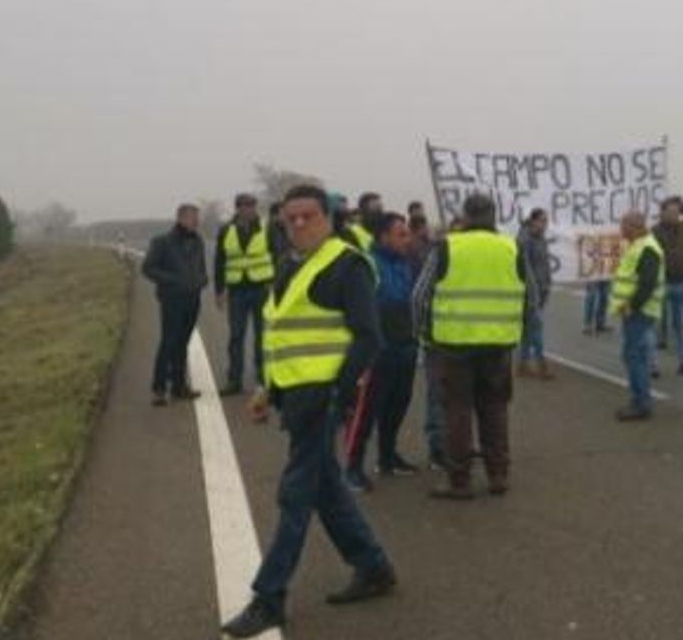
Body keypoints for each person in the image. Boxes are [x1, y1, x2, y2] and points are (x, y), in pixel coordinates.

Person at [221, 186, 394, 638]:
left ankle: (269, 597)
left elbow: (369, 337)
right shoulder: (289, 265)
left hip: (323, 400)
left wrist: (339, 391)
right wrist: (266, 388)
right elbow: (282, 337)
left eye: (308, 216)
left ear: (330, 217)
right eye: (290, 218)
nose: (298, 225)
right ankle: (373, 567)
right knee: (326, 489)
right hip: (295, 397)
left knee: (295, 495)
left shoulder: (347, 265)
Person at [413, 193, 530, 500]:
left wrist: (422, 333)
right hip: (499, 343)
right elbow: (530, 291)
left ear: (464, 215)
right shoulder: (511, 247)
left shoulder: (447, 246)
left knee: (457, 412)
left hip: (453, 344)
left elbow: (419, 296)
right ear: (493, 215)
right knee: (495, 408)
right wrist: (521, 330)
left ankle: (459, 480)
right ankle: (498, 474)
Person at [344, 214, 422, 491]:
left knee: (398, 404)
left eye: (407, 233)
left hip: (405, 344)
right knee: (365, 411)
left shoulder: (408, 263)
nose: (407, 239)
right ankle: (352, 466)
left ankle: (388, 457)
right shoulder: (367, 264)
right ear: (383, 237)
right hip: (378, 349)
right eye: (400, 234)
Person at [142, 204, 208, 406]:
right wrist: (172, 280)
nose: (197, 221)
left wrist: (202, 279)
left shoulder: (198, 241)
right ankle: (159, 388)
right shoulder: (162, 242)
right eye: (193, 218)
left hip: (193, 299)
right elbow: (148, 268)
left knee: (182, 344)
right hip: (172, 299)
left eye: (197, 218)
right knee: (169, 342)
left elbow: (201, 265)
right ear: (181, 218)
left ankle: (179, 386)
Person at [214, 193, 273, 396]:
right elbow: (219, 261)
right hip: (237, 290)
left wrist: (275, 284)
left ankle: (262, 378)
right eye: (244, 206)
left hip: (261, 288)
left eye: (252, 206)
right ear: (237, 209)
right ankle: (234, 380)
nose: (249, 210)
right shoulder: (225, 230)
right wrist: (219, 290)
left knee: (262, 336)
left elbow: (278, 255)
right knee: (236, 336)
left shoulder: (267, 228)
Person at [613, 211, 664, 421]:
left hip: (640, 312)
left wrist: (632, 306)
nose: (620, 229)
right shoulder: (638, 245)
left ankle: (641, 403)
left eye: (623, 225)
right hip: (637, 311)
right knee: (635, 355)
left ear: (634, 227)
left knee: (633, 356)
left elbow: (647, 283)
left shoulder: (648, 248)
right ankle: (639, 400)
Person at [653, 198, 683, 376]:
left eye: (676, 212)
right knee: (657, 326)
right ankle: (653, 365)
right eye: (671, 212)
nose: (675, 215)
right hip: (662, 283)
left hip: (682, 282)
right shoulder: (655, 232)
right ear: (662, 213)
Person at [515, 209, 555, 380]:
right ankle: (541, 364)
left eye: (546, 221)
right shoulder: (524, 240)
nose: (545, 225)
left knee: (528, 329)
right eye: (542, 221)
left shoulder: (541, 239)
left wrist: (548, 281)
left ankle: (523, 364)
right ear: (533, 221)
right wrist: (533, 292)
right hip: (530, 292)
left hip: (542, 288)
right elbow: (526, 268)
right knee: (536, 326)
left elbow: (543, 263)